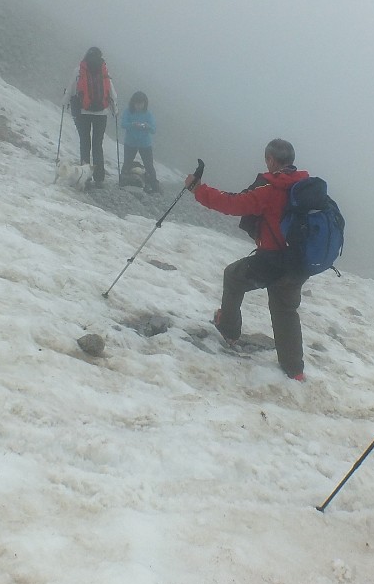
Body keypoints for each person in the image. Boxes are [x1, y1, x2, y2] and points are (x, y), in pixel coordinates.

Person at [184, 138, 309, 381]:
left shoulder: (270, 187)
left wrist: (197, 189)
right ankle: (295, 371)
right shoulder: (305, 186)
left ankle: (229, 330)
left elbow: (233, 204)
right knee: (285, 310)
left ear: (271, 160)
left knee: (233, 276)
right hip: (298, 262)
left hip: (272, 260)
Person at [68, 47, 115, 185]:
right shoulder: (104, 71)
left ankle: (85, 176)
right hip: (101, 114)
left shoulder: (79, 70)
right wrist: (115, 109)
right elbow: (112, 92)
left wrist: (65, 102)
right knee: (97, 145)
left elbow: (71, 90)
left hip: (84, 112)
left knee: (85, 143)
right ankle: (99, 178)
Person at [119, 91, 160, 194]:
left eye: (141, 103)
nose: (139, 106)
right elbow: (123, 124)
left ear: (145, 103)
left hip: (145, 143)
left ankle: (154, 186)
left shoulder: (148, 114)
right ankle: (122, 181)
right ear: (133, 103)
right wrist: (132, 124)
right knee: (127, 162)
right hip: (130, 142)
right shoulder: (128, 112)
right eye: (137, 103)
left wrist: (147, 126)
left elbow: (153, 130)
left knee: (149, 165)